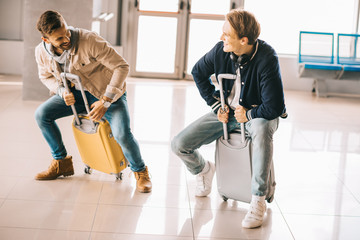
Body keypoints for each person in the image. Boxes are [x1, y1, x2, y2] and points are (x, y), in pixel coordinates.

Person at [171, 9, 286, 228]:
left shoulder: (267, 57)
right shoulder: (220, 51)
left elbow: (275, 106)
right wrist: (216, 105)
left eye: (226, 34)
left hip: (259, 115)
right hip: (227, 113)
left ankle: (258, 200)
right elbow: (197, 72)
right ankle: (204, 170)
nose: (221, 37)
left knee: (261, 130)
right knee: (179, 144)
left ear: (244, 40)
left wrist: (250, 114)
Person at [34, 10, 152, 193]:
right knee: (42, 115)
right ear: (46, 40)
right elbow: (45, 76)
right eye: (59, 38)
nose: (66, 38)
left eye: (66, 32)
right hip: (76, 94)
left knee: (121, 133)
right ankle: (61, 163)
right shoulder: (41, 52)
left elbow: (122, 67)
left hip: (107, 94)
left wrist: (105, 100)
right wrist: (61, 90)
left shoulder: (89, 40)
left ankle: (140, 171)